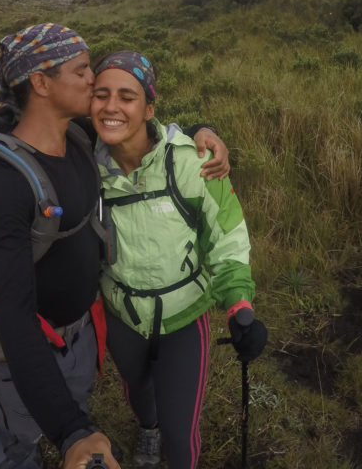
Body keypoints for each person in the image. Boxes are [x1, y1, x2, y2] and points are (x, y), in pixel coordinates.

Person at [0, 24, 229, 469]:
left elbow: (137, 125)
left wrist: (201, 131)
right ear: (41, 83)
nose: (94, 79)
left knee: (74, 406)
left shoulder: (77, 135)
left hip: (81, 336)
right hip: (24, 351)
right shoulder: (0, 183)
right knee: (21, 442)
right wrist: (70, 434)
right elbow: (14, 317)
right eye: (84, 69)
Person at [89, 50, 266, 468]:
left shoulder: (192, 162)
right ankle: (146, 428)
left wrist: (239, 304)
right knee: (137, 389)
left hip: (185, 317)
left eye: (127, 96)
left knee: (181, 439)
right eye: (101, 94)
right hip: (121, 314)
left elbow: (228, 234)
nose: (112, 106)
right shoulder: (81, 167)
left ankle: (163, 437)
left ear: (149, 107)